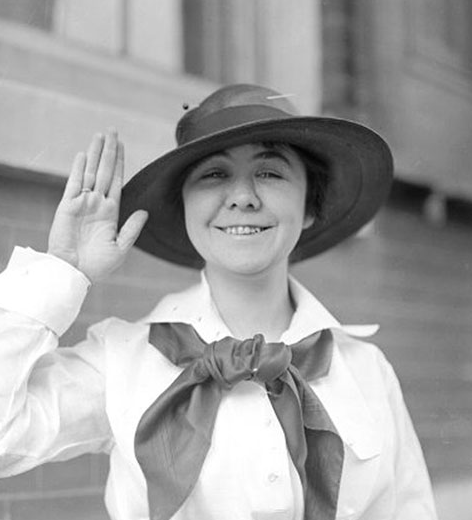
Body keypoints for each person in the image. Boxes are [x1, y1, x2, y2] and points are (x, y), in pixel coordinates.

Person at [0, 84, 437, 520]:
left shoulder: (366, 369)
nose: (243, 196)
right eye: (214, 174)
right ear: (185, 207)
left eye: (270, 172)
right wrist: (63, 269)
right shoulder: (124, 359)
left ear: (308, 206)